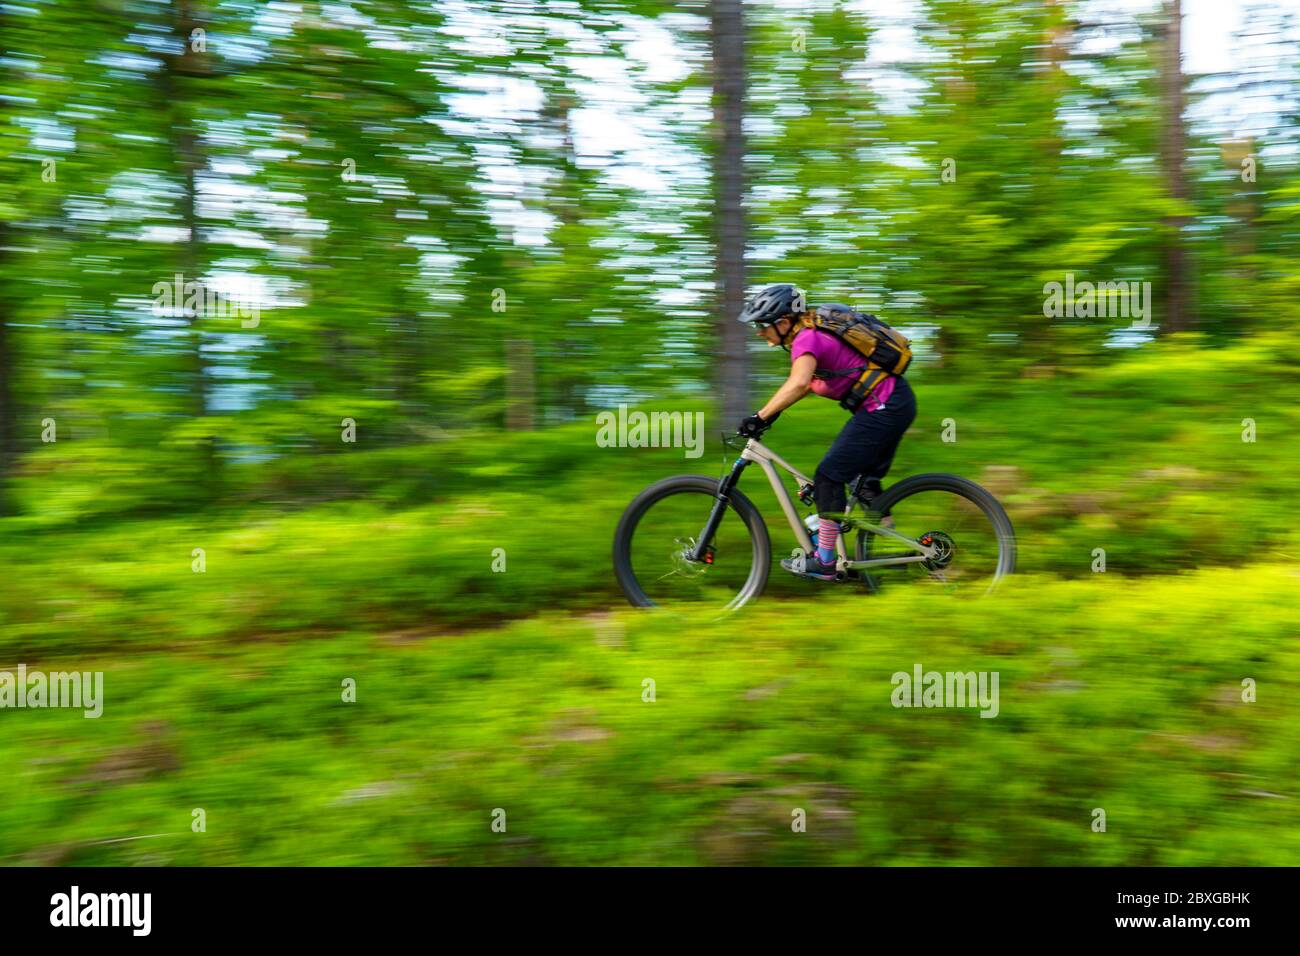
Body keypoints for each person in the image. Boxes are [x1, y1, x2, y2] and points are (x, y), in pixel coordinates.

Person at [735, 283, 917, 581]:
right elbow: (803, 386)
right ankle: (898, 554)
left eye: (762, 325)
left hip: (884, 407)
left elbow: (798, 384)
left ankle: (825, 560)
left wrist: (759, 417)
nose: (759, 332)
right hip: (890, 404)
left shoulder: (806, 339)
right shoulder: (811, 335)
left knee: (828, 476)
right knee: (863, 485)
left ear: (783, 323)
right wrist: (772, 414)